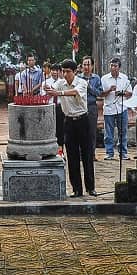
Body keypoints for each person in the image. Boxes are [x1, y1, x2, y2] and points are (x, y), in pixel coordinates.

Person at [48, 59, 97, 197]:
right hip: (68, 121)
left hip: (83, 120)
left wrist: (59, 94)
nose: (65, 74)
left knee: (87, 155)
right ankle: (76, 188)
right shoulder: (60, 82)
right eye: (63, 71)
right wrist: (49, 90)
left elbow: (75, 92)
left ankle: (90, 187)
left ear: (75, 72)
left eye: (68, 71)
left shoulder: (82, 82)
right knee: (72, 156)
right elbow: (52, 88)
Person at [101, 57, 133, 160]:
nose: (113, 68)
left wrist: (121, 93)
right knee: (108, 133)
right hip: (109, 108)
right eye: (111, 65)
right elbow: (101, 94)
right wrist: (109, 90)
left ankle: (123, 153)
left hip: (121, 107)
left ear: (119, 68)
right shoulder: (104, 78)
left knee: (122, 132)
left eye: (115, 66)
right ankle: (109, 153)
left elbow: (130, 93)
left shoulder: (124, 78)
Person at [80, 56, 104, 160]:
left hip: (91, 106)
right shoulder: (79, 78)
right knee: (81, 131)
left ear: (92, 66)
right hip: (80, 106)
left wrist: (89, 87)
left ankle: (92, 154)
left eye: (88, 64)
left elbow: (99, 93)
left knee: (92, 131)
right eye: (84, 64)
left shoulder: (96, 78)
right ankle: (82, 154)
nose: (86, 67)